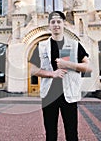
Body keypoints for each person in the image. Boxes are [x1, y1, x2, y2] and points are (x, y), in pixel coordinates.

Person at [29, 11, 91, 141]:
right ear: (49, 26)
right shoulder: (41, 46)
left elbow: (88, 67)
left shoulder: (74, 44)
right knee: (50, 134)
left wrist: (67, 64)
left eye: (59, 21)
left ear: (64, 24)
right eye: (53, 22)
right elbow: (33, 70)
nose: (56, 24)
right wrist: (52, 74)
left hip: (69, 94)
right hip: (49, 95)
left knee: (72, 133)